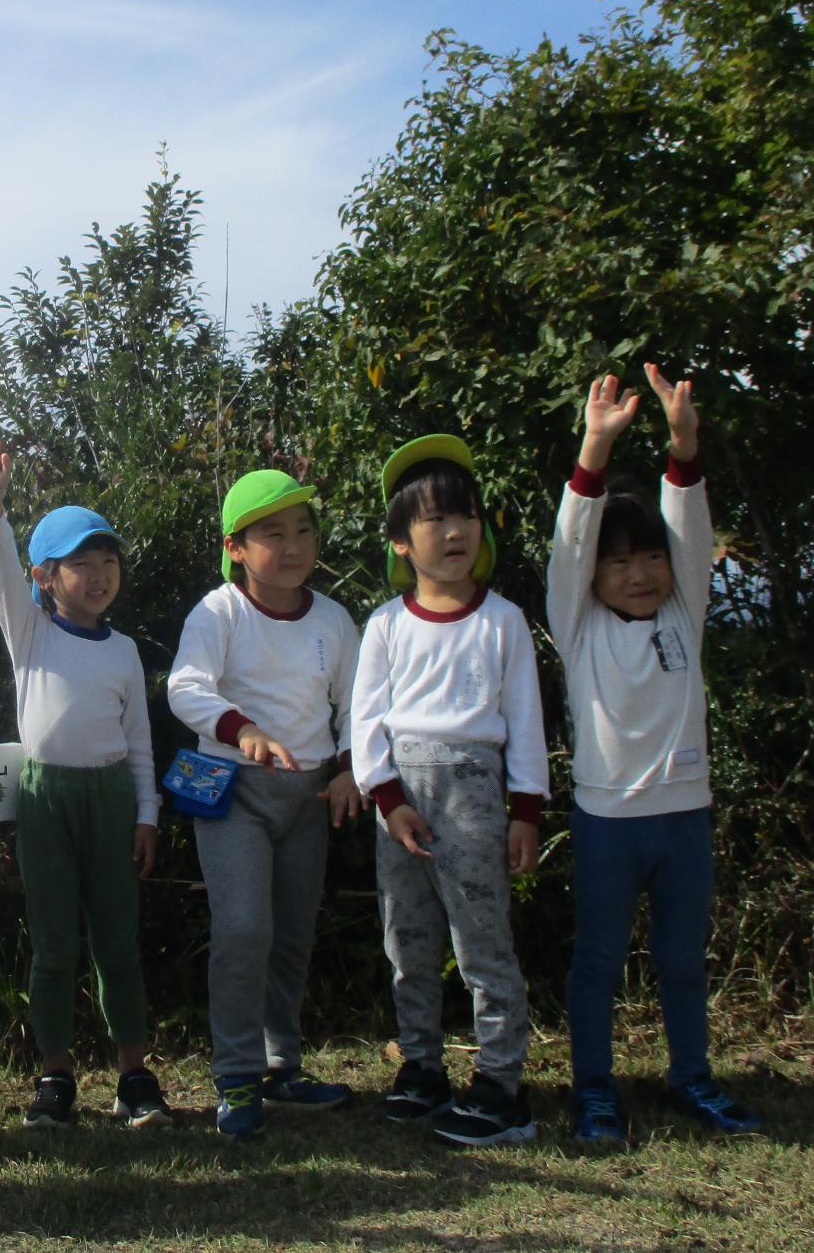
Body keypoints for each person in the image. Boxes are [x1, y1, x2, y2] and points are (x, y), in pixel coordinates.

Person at [550, 367, 761, 1141]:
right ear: (594, 574)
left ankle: (693, 1079)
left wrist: (683, 446)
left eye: (650, 559)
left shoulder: (684, 610)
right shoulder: (577, 624)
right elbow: (572, 546)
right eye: (618, 562)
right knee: (598, 962)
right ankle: (594, 1090)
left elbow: (692, 533)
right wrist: (593, 452)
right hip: (608, 820)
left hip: (684, 817)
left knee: (680, 958)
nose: (638, 575)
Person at [351, 434, 548, 1148]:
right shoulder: (385, 625)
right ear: (402, 541)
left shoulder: (502, 621)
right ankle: (422, 1069)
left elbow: (525, 723)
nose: (455, 531)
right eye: (435, 520)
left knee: (482, 940)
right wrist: (388, 799)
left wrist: (525, 813)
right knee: (407, 938)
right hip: (398, 798)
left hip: (473, 792)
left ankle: (500, 1085)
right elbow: (365, 723)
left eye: (465, 515)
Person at [0, 451, 172, 1129]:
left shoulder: (122, 650)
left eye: (107, 562)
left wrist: (147, 813)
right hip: (45, 800)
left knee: (118, 940)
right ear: (45, 577)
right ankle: (54, 1075)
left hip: (112, 798)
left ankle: (134, 1075)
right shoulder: (28, 631)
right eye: (81, 564)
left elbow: (141, 740)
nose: (98, 576)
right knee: (53, 943)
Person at [167, 468, 362, 1139]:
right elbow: (185, 687)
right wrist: (241, 729)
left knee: (292, 934)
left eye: (303, 530)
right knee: (245, 927)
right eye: (272, 533)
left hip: (310, 795)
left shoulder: (333, 621)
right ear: (237, 547)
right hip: (234, 792)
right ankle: (237, 1074)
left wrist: (349, 770)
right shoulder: (218, 611)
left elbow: (360, 705)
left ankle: (284, 1065)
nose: (293, 546)